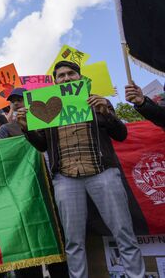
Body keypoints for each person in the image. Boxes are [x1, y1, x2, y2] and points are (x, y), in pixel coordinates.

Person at [17, 61, 144, 278]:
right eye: (61, 76)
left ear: (80, 78)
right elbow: (43, 146)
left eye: (71, 74)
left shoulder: (98, 102)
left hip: (102, 172)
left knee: (123, 232)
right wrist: (27, 129)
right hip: (66, 179)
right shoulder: (47, 108)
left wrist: (107, 114)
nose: (66, 78)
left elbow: (121, 134)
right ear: (55, 82)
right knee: (74, 241)